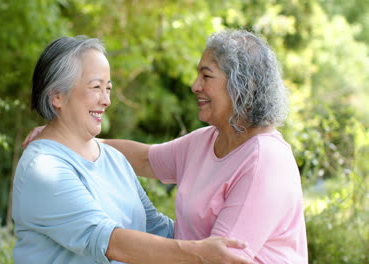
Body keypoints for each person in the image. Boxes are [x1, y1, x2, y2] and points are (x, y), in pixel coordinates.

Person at [23, 30, 308, 263]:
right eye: (97, 87)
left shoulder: (265, 160)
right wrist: (71, 138)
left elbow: (216, 259)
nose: (195, 85)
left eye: (206, 76)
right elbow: (147, 158)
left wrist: (70, 137)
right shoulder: (206, 140)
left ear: (244, 86)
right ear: (57, 96)